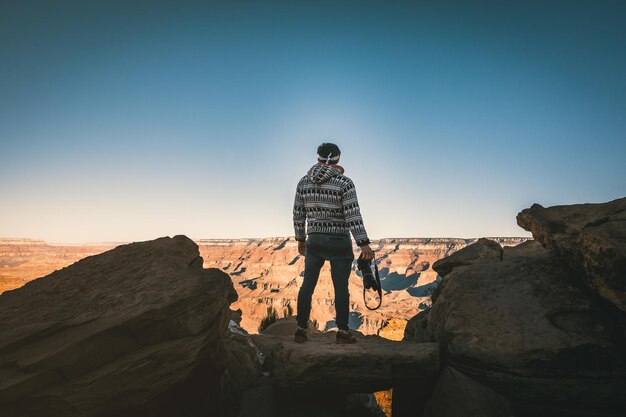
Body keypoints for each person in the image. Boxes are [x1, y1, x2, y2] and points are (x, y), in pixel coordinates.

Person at [292, 142, 374, 344]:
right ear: (338, 159)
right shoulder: (344, 183)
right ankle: (343, 332)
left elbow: (298, 213)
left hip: (315, 240)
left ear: (317, 157)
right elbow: (353, 215)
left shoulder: (303, 183)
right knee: (341, 288)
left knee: (307, 285)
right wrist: (363, 243)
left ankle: (301, 328)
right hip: (339, 241)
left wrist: (301, 239)